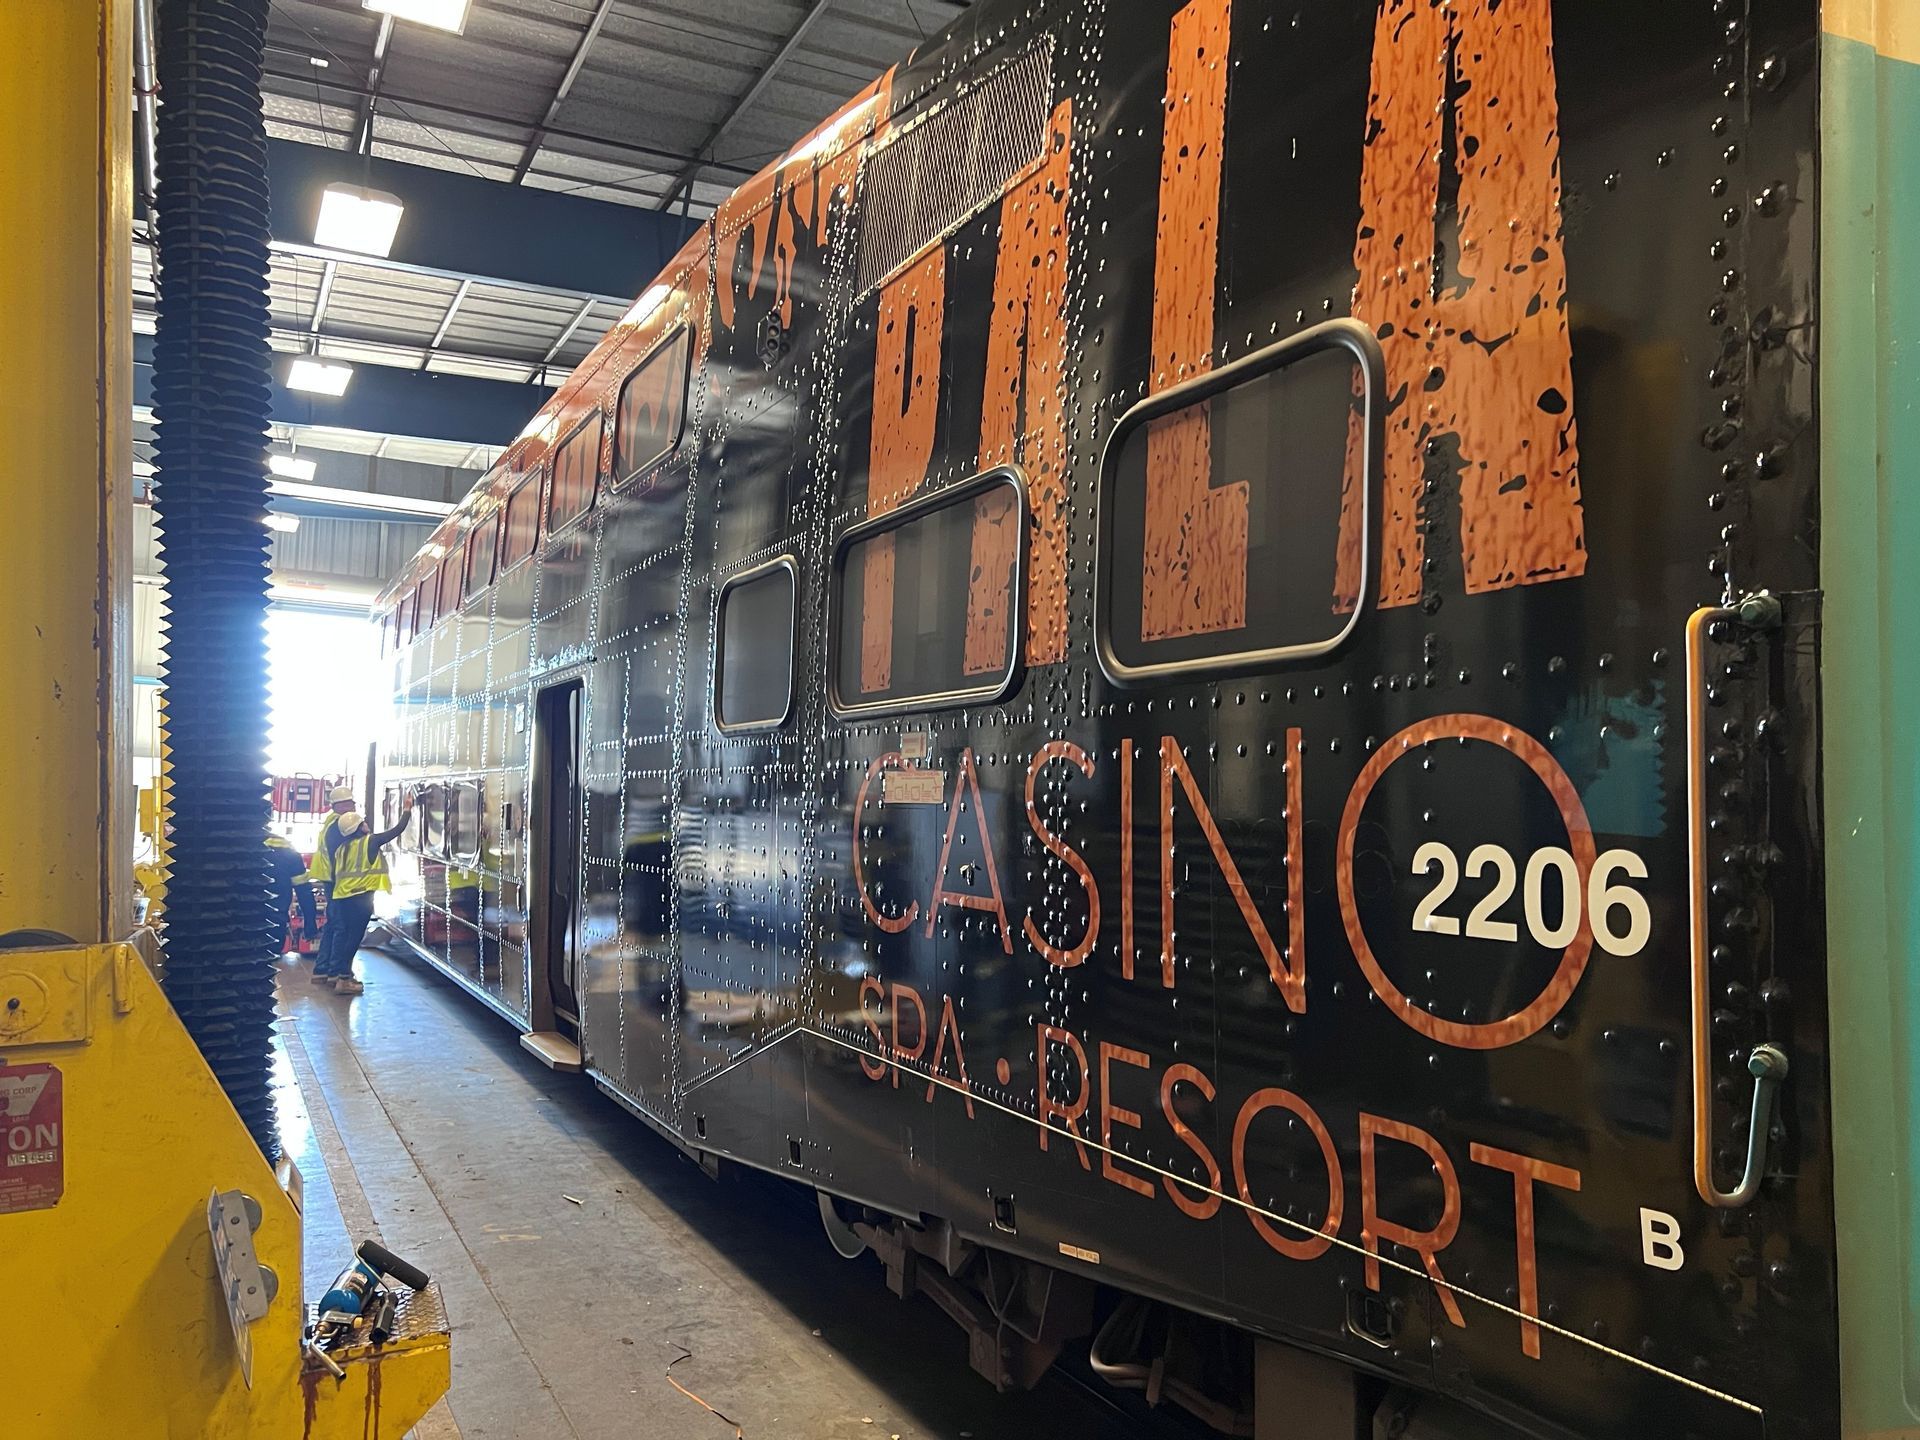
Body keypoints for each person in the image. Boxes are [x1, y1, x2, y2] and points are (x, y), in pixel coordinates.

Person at [309, 793, 414, 996]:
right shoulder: (370, 842)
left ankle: (335, 973)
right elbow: (397, 830)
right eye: (362, 822)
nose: (365, 822)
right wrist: (407, 809)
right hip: (361, 900)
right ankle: (344, 979)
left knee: (343, 934)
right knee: (353, 938)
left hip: (343, 897)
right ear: (359, 828)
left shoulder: (343, 848)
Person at [304, 784, 357, 973]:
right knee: (341, 926)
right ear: (339, 805)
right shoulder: (339, 826)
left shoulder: (332, 822)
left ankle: (322, 968)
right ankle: (335, 972)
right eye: (349, 803)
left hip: (331, 879)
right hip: (336, 881)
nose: (353, 807)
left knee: (333, 924)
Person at [264, 832, 310, 956]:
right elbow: (303, 889)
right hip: (276, 916)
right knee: (269, 963)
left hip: (243, 918)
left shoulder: (242, 844)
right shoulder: (287, 849)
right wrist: (309, 920)